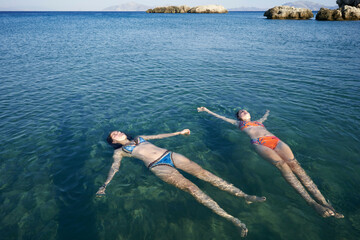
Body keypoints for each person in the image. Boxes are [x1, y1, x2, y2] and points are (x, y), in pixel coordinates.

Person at [97, 129, 266, 237]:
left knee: (205, 174)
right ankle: (231, 219)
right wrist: (105, 185)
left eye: (118, 131)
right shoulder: (120, 152)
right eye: (113, 134)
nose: (117, 132)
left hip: (170, 155)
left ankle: (245, 196)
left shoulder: (141, 137)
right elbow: (115, 167)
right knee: (192, 188)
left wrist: (179, 133)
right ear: (113, 142)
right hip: (157, 166)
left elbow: (159, 135)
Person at [197, 107, 343, 218]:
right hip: (259, 143)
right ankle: (311, 203)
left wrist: (267, 113)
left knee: (295, 165)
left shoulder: (258, 122)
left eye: (245, 111)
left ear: (250, 114)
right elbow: (220, 117)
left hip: (275, 140)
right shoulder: (238, 123)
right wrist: (206, 110)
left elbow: (264, 118)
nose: (243, 112)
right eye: (240, 112)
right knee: (283, 166)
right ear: (238, 117)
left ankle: (324, 202)